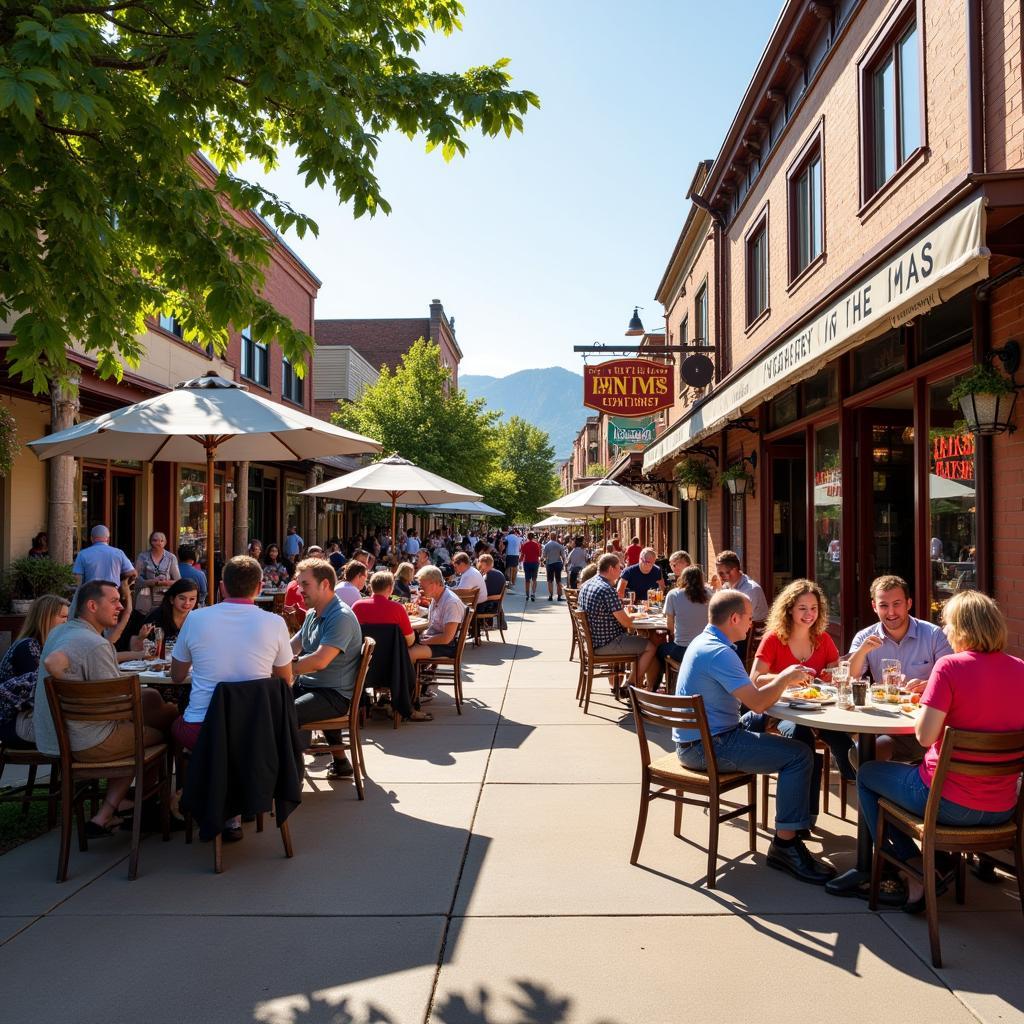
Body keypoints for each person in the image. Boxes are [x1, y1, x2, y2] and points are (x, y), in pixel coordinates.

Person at [854, 591, 1024, 913]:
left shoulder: (949, 668)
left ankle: (915, 869)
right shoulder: (1021, 669)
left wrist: (927, 704)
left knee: (866, 773)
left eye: (947, 624)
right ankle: (939, 863)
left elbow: (924, 736)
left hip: (947, 804)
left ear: (962, 628)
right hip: (1004, 807)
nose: (944, 631)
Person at [674, 590, 835, 884]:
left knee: (768, 720)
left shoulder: (704, 641)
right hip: (710, 746)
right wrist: (785, 676)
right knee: (799, 754)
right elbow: (757, 702)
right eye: (749, 618)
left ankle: (797, 818)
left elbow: (755, 703)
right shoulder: (721, 653)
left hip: (700, 738)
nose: (752, 624)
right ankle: (785, 844)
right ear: (734, 618)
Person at [35, 580, 178, 837]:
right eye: (114, 601)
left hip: (60, 736)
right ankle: (143, 809)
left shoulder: (62, 632)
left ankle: (116, 807)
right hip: (90, 740)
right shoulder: (94, 644)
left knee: (151, 698)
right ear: (91, 605)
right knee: (169, 724)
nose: (121, 606)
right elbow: (54, 661)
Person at [170, 557, 293, 840]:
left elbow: (177, 676)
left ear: (222, 587)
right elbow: (285, 681)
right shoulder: (275, 623)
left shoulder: (196, 618)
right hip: (256, 731)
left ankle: (194, 797)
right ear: (260, 587)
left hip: (201, 729)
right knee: (236, 742)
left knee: (174, 723)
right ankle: (234, 812)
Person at [746, 579, 842, 824]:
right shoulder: (774, 639)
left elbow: (834, 678)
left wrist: (837, 677)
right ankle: (803, 818)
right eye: (802, 608)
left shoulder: (824, 640)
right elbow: (755, 679)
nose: (809, 614)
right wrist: (785, 677)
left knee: (841, 739)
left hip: (821, 712)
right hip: (781, 713)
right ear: (789, 609)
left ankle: (854, 776)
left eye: (814, 608)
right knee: (802, 738)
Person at [847, 574, 953, 763]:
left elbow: (952, 680)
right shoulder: (865, 637)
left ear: (909, 603)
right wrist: (862, 652)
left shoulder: (933, 635)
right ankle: (891, 788)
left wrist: (928, 685)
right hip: (886, 723)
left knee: (868, 758)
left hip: (925, 725)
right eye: (884, 605)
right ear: (874, 606)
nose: (891, 612)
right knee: (860, 755)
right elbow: (850, 678)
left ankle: (898, 786)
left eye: (897, 604)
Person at [289, 558, 364, 778]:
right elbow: (293, 645)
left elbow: (320, 661)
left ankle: (287, 777)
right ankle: (341, 763)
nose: (299, 590)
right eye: (298, 583)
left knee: (281, 713)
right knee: (265, 702)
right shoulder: (314, 612)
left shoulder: (340, 616)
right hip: (312, 687)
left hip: (333, 695)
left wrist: (286, 669)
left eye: (305, 584)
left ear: (325, 585)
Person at [577, 553, 659, 691]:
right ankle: (630, 685)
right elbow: (626, 623)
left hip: (594, 641)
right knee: (650, 646)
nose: (621, 571)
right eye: (619, 568)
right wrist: (638, 616)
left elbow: (614, 615)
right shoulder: (607, 590)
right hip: (607, 643)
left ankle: (636, 685)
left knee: (641, 640)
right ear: (611, 569)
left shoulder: (588, 584)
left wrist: (631, 615)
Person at [353, 572, 433, 710]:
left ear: (371, 587)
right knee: (408, 656)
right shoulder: (397, 608)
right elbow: (409, 641)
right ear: (390, 588)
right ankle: (406, 704)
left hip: (363, 665)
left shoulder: (357, 606)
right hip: (394, 667)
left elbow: (352, 637)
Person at [0, 594, 70, 748]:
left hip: (24, 720)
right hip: (14, 725)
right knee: (78, 736)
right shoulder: (28, 647)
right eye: (63, 617)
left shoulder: (42, 647)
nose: (67, 622)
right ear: (45, 618)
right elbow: (42, 695)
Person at [415, 565, 466, 701]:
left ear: (436, 583)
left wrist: (423, 641)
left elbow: (447, 638)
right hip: (436, 640)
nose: (421, 589)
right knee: (403, 648)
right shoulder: (437, 597)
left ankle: (413, 694)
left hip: (446, 646)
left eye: (423, 586)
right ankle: (416, 690)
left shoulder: (450, 602)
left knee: (408, 654)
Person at [713, 550, 769, 664]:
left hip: (751, 638)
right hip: (738, 632)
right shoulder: (728, 586)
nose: (720, 576)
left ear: (733, 571)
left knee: (717, 650)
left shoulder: (751, 589)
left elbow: (741, 619)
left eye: (722, 573)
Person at [658, 565, 711, 666]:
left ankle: (674, 670)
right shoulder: (710, 594)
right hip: (704, 650)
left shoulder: (673, 594)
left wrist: (676, 635)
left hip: (682, 650)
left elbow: (670, 626)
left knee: (659, 649)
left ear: (683, 578)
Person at [130, 578, 200, 653]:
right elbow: (140, 648)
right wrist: (141, 638)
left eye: (192, 599)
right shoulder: (156, 617)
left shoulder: (198, 618)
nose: (187, 603)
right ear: (171, 599)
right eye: (182, 598)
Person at [72, 524, 137, 588]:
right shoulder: (119, 553)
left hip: (91, 594)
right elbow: (133, 573)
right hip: (113, 594)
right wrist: (123, 582)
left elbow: (78, 579)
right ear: (108, 539)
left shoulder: (82, 554)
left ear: (91, 538)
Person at [134, 531, 181, 616]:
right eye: (155, 540)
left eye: (161, 540)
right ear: (150, 542)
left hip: (165, 597)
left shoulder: (171, 557)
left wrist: (166, 582)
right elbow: (136, 580)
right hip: (146, 597)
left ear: (165, 542)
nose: (158, 543)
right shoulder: (143, 556)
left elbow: (178, 581)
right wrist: (152, 582)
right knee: (145, 623)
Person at [476, 553, 506, 617]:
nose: (479, 567)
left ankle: (475, 626)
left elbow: (483, 594)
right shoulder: (499, 573)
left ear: (484, 564)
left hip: (488, 607)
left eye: (481, 565)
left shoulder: (489, 575)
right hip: (496, 606)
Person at [542, 533, 567, 601]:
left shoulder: (546, 545)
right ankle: (559, 596)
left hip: (549, 563)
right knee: (558, 580)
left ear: (550, 537)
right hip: (558, 563)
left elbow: (544, 556)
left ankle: (550, 596)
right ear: (556, 537)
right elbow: (563, 557)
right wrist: (563, 565)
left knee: (550, 580)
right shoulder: (559, 546)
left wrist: (543, 560)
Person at [520, 531, 542, 602]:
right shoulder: (536, 544)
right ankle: (533, 593)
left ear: (527, 537)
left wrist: (519, 560)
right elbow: (539, 554)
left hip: (527, 562)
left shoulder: (524, 544)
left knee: (527, 580)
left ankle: (527, 594)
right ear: (533, 537)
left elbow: (522, 555)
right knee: (534, 579)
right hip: (535, 562)